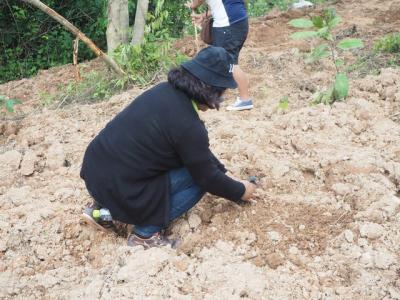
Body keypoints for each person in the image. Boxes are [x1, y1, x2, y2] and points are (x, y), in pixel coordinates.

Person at [80, 46, 257, 249]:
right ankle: (146, 234)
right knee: (198, 180)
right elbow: (207, 178)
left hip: (97, 173)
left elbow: (199, 155)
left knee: (194, 167)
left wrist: (225, 175)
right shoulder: (189, 126)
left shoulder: (162, 92)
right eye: (222, 91)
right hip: (122, 186)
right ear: (212, 89)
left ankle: (101, 211)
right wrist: (241, 191)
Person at [186, 0, 253, 111]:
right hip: (237, 22)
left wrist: (194, 5)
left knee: (229, 62)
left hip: (227, 25)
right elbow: (224, 4)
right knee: (223, 61)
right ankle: (216, 95)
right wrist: (204, 15)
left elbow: (198, 2)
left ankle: (245, 99)